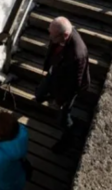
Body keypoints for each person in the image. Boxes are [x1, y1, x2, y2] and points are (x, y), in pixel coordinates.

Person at [34, 17, 90, 153]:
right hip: (56, 72)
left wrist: (60, 101)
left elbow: (74, 84)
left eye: (52, 35)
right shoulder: (61, 34)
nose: (49, 37)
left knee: (63, 119)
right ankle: (49, 96)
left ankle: (69, 138)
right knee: (39, 95)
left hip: (67, 85)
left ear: (64, 35)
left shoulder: (77, 54)